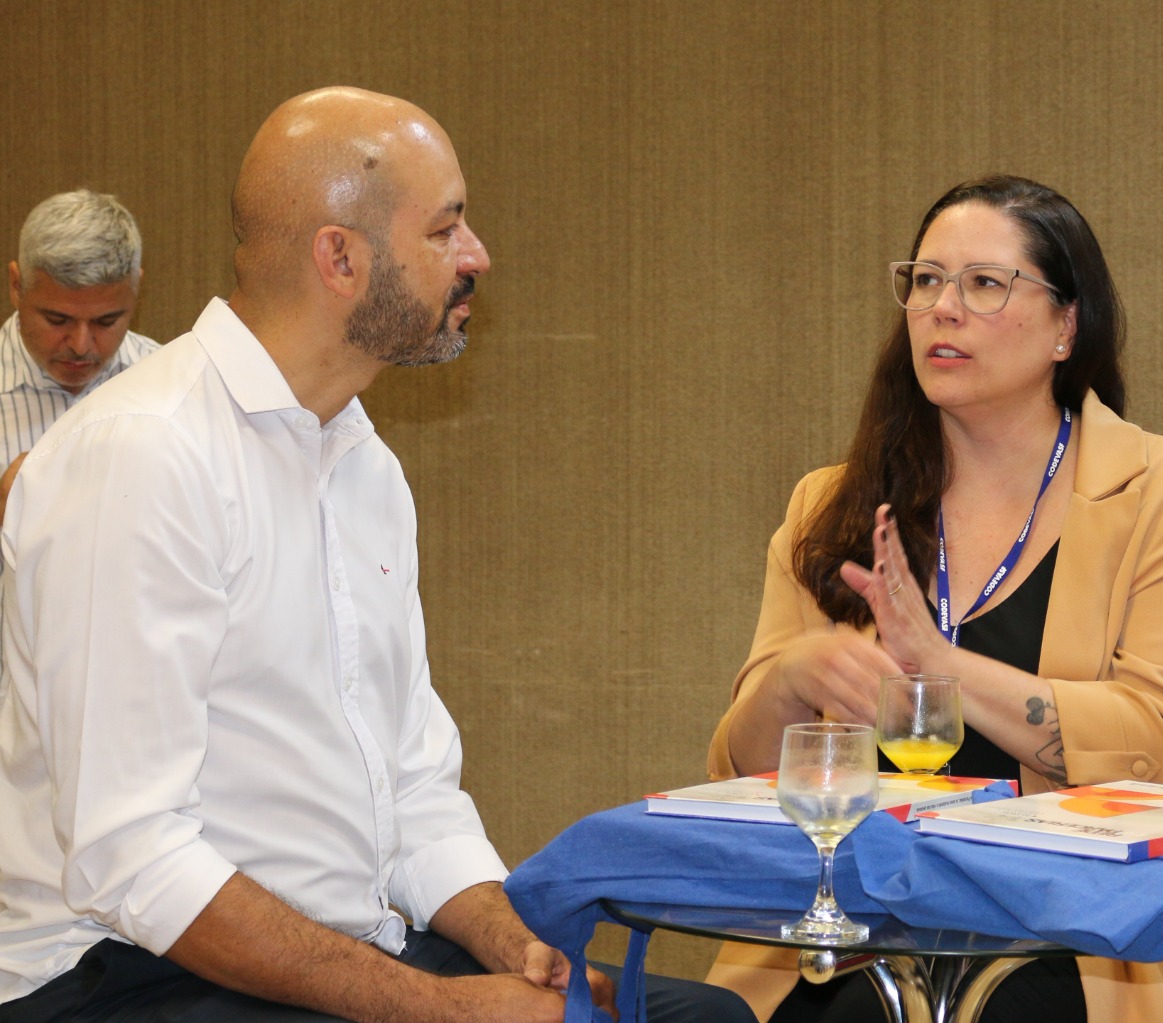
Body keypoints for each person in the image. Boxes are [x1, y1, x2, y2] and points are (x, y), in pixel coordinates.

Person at [0, 87, 753, 1023]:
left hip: (329, 947)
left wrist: (513, 944)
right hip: (117, 972)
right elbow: (133, 859)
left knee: (700, 1018)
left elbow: (413, 785)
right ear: (340, 257)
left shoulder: (362, 463)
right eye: (446, 230)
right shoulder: (143, 453)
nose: (476, 257)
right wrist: (444, 1011)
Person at [705, 176, 1163, 1023]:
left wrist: (941, 666)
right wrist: (791, 678)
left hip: (1065, 937)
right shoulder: (831, 502)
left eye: (984, 284)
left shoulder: (1162, 492)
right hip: (848, 932)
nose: (941, 308)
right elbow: (748, 777)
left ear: (1066, 325)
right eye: (924, 280)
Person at [1, 189, 160, 516]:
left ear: (136, 290)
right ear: (16, 286)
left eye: (106, 321)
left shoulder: (180, 389)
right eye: (57, 320)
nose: (80, 345)